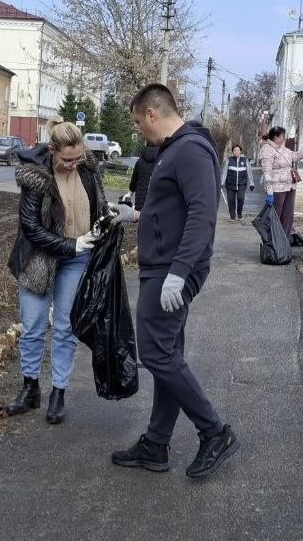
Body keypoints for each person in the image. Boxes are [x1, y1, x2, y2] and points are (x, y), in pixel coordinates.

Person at [110, 83, 240, 479]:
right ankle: (156, 443)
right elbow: (174, 211)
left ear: (153, 114)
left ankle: (214, 432)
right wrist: (135, 216)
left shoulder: (191, 150)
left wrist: (179, 273)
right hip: (164, 266)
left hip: (172, 270)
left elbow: (202, 215)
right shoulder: (175, 149)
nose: (138, 131)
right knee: (166, 353)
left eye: (138, 122)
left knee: (155, 353)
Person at [5, 117, 108, 425]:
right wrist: (72, 244)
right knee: (33, 326)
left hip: (77, 261)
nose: (74, 165)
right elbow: (31, 227)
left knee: (65, 328)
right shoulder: (36, 176)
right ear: (52, 151)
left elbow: (99, 206)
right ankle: (30, 388)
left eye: (78, 158)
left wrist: (106, 220)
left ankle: (58, 392)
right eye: (67, 160)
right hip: (39, 259)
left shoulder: (87, 170)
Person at [257, 126, 303, 238]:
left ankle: (284, 242)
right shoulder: (266, 150)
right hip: (277, 189)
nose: (284, 138)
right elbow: (267, 172)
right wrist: (269, 192)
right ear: (275, 137)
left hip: (289, 187)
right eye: (282, 136)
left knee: (288, 217)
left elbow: (295, 156)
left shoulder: (283, 149)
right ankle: (273, 242)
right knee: (275, 217)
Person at [220, 144, 254, 221]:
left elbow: (249, 172)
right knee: (231, 200)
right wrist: (222, 182)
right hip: (230, 184)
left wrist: (251, 183)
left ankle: (239, 213)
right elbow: (225, 171)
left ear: (240, 151)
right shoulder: (229, 160)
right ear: (232, 152)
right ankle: (232, 216)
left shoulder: (245, 160)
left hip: (242, 184)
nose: (236, 152)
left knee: (240, 198)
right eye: (234, 150)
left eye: (238, 150)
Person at [129, 141, 158, 211]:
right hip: (154, 203)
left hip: (139, 203)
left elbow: (133, 182)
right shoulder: (162, 160)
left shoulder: (140, 160)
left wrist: (129, 194)